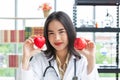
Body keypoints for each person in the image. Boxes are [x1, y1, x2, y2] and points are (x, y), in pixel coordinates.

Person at [21, 11, 99, 80]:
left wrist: (91, 58)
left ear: (69, 32)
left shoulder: (82, 60)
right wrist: (26, 57)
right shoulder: (40, 59)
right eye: (51, 33)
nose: (57, 38)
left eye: (61, 32)